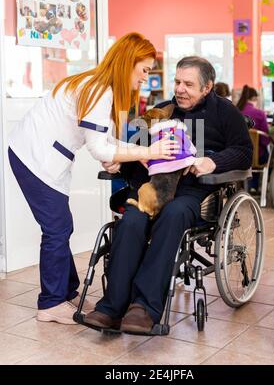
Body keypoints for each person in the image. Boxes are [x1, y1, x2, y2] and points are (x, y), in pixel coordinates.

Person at [8, 32, 179, 325]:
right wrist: (147, 150)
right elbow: (101, 146)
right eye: (144, 69)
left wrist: (130, 153)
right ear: (129, 62)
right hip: (34, 158)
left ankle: (66, 292)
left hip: (39, 155)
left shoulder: (97, 85)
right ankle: (50, 304)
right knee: (56, 228)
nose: (145, 78)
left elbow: (103, 140)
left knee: (62, 226)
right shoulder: (101, 90)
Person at [84, 56, 253, 334]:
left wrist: (212, 162)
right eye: (177, 82)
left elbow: (244, 152)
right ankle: (111, 307)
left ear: (207, 87)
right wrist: (118, 160)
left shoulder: (225, 112)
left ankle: (144, 307)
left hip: (193, 192)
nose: (180, 89)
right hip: (152, 189)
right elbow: (134, 148)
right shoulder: (162, 110)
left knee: (174, 215)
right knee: (132, 220)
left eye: (188, 84)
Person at [236, 84, 270, 191]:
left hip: (237, 155)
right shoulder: (260, 113)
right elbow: (266, 140)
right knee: (267, 155)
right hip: (256, 157)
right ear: (255, 98)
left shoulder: (235, 112)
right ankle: (257, 187)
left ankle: (248, 186)